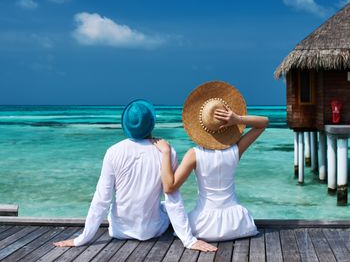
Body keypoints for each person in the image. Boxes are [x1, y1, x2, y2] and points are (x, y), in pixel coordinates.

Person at [54, 99, 217, 252]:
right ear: (152, 124)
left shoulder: (113, 152)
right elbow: (173, 199)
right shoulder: (167, 152)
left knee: (112, 205)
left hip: (119, 231)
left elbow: (101, 200)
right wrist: (189, 240)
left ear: (126, 125)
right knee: (165, 206)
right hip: (152, 231)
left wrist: (81, 239)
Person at [155, 81, 269, 241]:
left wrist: (166, 153)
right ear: (226, 127)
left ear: (200, 126)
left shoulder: (194, 154)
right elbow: (263, 123)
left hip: (203, 226)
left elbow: (169, 187)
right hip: (238, 225)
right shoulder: (235, 151)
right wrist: (237, 119)